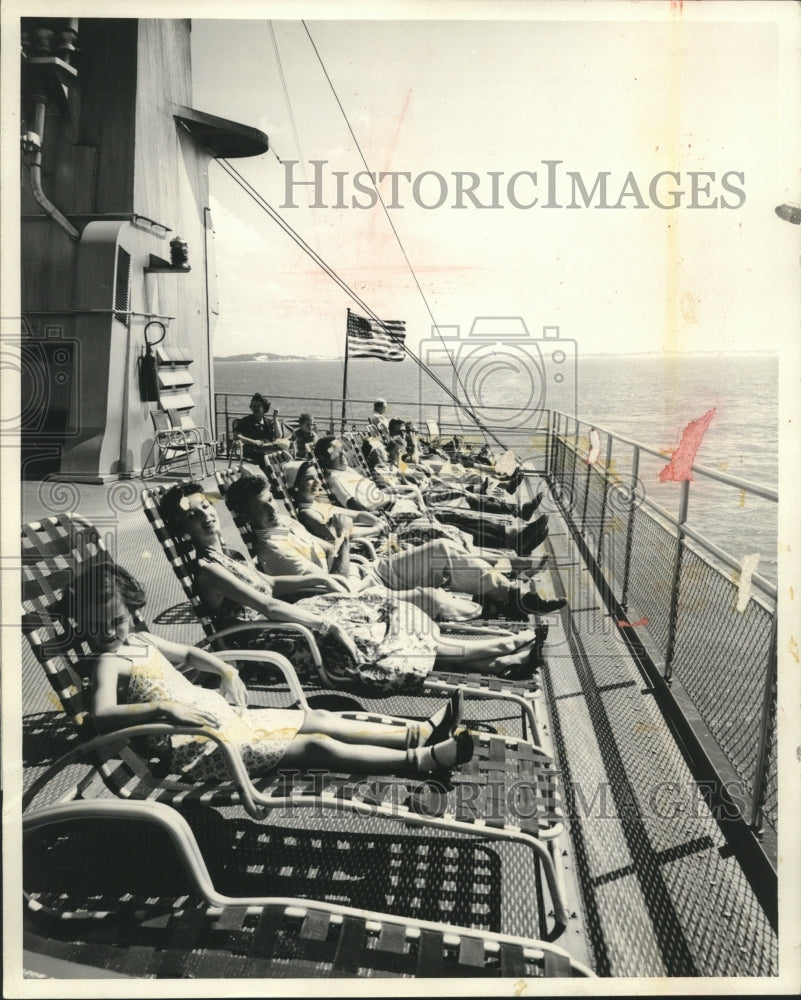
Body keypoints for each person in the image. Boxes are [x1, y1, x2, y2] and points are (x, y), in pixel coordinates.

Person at [67, 560, 474, 778]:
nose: (107, 632)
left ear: (132, 612)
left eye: (116, 620)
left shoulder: (141, 640)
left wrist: (225, 672)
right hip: (199, 747)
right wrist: (163, 711)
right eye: (95, 625)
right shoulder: (107, 662)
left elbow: (191, 656)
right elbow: (101, 716)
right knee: (316, 747)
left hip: (224, 721)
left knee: (318, 718)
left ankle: (418, 731)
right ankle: (421, 761)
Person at [161, 481, 550, 677]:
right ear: (183, 528)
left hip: (293, 617)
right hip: (272, 640)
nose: (205, 515)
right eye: (194, 514)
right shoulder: (210, 568)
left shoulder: (229, 555)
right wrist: (322, 618)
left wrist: (325, 583)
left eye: (205, 507)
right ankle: (505, 642)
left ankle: (503, 654)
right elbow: (265, 605)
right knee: (383, 634)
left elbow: (269, 584)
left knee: (393, 626)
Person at [317, 436, 551, 557]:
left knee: (457, 517)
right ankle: (513, 540)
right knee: (452, 526)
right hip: (391, 514)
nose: (344, 454)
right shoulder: (335, 479)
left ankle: (514, 534)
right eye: (338, 451)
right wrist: (385, 510)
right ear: (328, 456)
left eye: (343, 450)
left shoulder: (346, 470)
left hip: (402, 502)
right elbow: (355, 506)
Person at [234, 393, 291, 470]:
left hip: (268, 448)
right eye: (253, 406)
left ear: (264, 408)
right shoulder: (246, 421)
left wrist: (275, 418)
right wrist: (253, 441)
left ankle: (286, 476)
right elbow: (236, 436)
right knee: (265, 457)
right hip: (252, 450)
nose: (255, 408)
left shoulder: (268, 422)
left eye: (258, 406)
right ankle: (273, 479)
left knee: (285, 454)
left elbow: (278, 436)